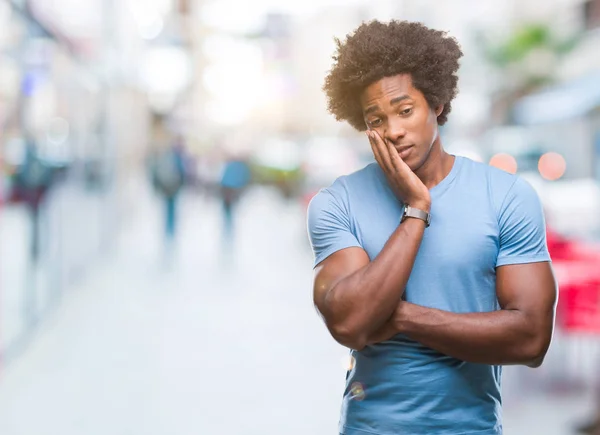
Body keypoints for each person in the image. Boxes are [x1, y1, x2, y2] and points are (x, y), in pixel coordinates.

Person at [307, 20, 557, 435]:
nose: (394, 130)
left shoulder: (507, 195)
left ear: (437, 104)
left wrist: (401, 317)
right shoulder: (337, 202)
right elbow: (350, 324)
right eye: (377, 119)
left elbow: (531, 340)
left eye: (405, 110)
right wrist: (416, 210)